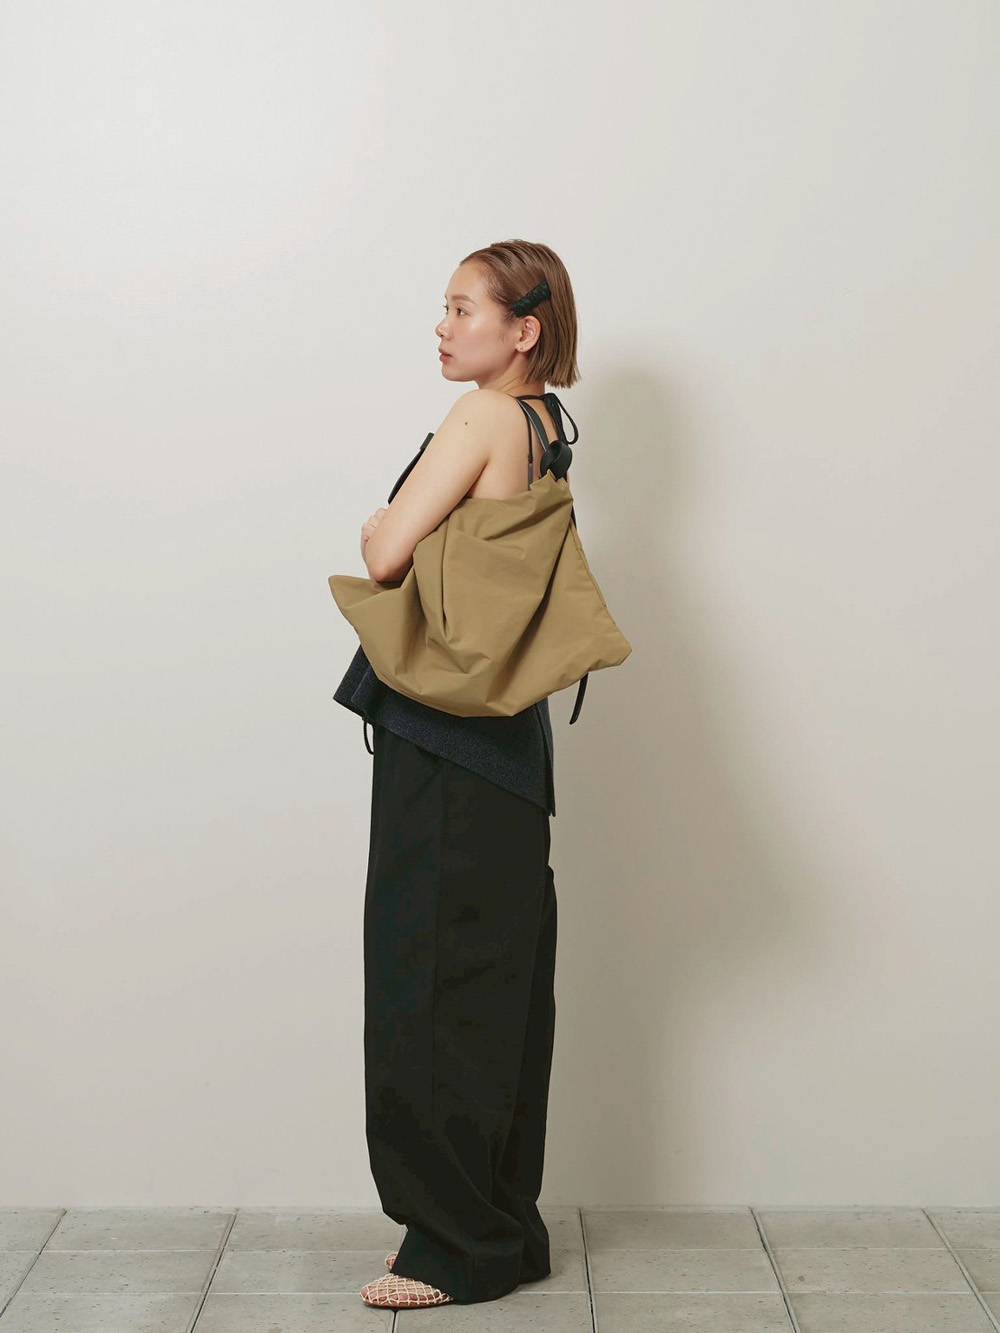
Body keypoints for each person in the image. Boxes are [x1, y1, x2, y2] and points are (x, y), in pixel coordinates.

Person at [335, 239, 580, 1309]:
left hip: (444, 741)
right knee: (495, 989)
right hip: (512, 745)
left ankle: (448, 1246)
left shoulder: (481, 416)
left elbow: (386, 553)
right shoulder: (547, 426)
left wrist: (380, 522)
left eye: (462, 308)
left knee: (425, 984)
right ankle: (499, 1228)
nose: (442, 327)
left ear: (523, 330)